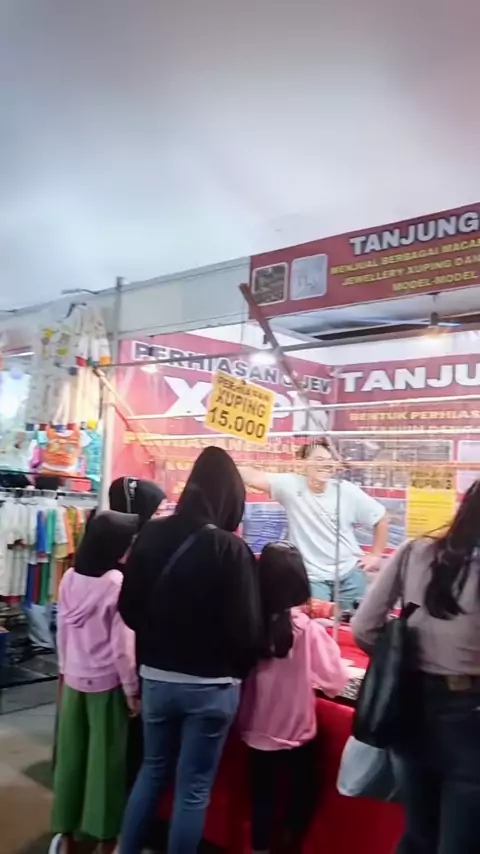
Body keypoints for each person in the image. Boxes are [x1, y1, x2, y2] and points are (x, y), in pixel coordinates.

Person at [117, 446, 262, 854]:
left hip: (157, 679)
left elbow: (128, 608)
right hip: (212, 687)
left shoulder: (151, 533)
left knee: (151, 772)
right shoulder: (232, 549)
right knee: (193, 789)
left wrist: (158, 639)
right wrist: (235, 669)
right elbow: (247, 630)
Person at [352, 481, 480, 854]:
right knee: (461, 840)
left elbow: (364, 627)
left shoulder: (414, 551)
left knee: (418, 832)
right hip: (469, 713)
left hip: (408, 705)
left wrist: (402, 661)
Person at [238, 542, 349, 854]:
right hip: (295, 732)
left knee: (261, 798)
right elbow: (335, 679)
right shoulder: (306, 630)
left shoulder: (247, 623)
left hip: (254, 730)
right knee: (303, 793)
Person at [50, 511, 140, 854]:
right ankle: (104, 837)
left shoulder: (69, 577)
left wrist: (65, 669)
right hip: (106, 684)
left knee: (70, 757)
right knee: (105, 762)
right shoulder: (115, 582)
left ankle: (66, 833)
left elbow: (63, 631)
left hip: (73, 678)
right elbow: (123, 648)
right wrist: (131, 691)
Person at [240, 438, 388, 609]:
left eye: (330, 460)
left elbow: (381, 518)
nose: (326, 464)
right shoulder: (290, 485)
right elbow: (251, 476)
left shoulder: (346, 490)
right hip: (313, 578)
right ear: (304, 463)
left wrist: (375, 555)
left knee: (351, 623)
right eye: (319, 459)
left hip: (350, 574)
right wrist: (222, 462)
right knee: (315, 622)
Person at [108, 476, 166, 794]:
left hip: (110, 662)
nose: (159, 516)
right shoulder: (130, 553)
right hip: (126, 660)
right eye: (154, 511)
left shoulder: (106, 542)